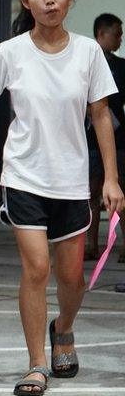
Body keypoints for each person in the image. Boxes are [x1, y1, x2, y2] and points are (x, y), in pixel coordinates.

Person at [0, 0, 125, 396]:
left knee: (72, 278)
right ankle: (36, 364)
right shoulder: (10, 52)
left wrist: (111, 179)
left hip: (71, 180)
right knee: (36, 268)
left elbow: (101, 115)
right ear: (25, 0)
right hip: (24, 177)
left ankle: (64, 328)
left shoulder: (89, 52)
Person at [84, 13, 125, 260]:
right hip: (88, 137)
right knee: (90, 192)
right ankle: (90, 245)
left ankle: (123, 245)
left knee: (120, 190)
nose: (120, 38)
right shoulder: (84, 62)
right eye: (116, 33)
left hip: (119, 138)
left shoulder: (122, 66)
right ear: (101, 34)